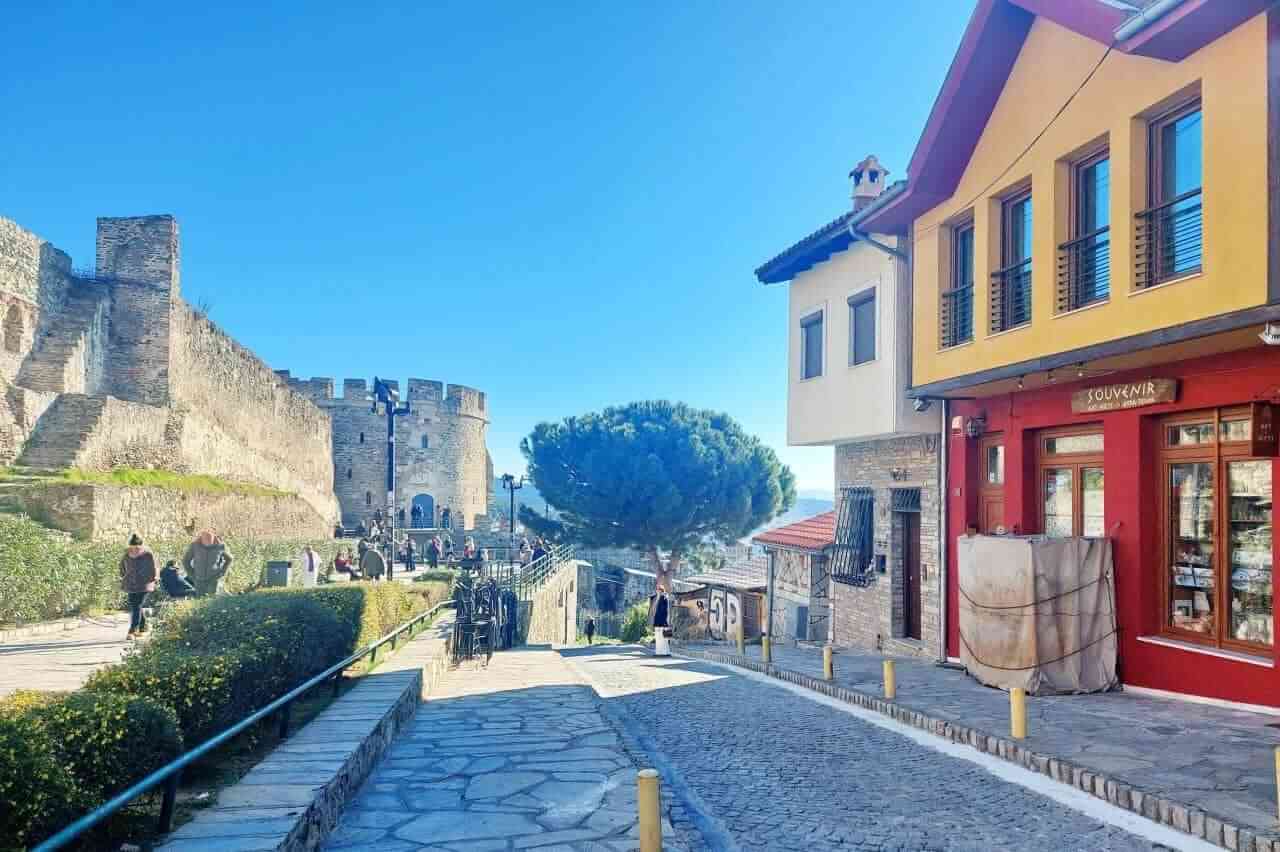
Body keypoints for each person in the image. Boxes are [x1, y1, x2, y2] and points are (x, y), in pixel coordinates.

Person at [120, 534, 158, 638]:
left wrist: (154, 579)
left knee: (137, 606)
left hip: (144, 584)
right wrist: (124, 577)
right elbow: (122, 567)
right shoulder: (126, 555)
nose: (135, 549)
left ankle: (132, 630)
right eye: (133, 547)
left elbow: (154, 568)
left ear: (141, 546)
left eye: (137, 547)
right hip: (131, 584)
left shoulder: (147, 554)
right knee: (136, 606)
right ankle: (143, 627)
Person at [184, 530, 233, 597]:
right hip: (198, 580)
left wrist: (222, 573)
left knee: (211, 598)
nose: (207, 544)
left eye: (209, 540)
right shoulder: (194, 546)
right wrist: (192, 575)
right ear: (201, 538)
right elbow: (185, 561)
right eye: (205, 540)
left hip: (213, 579)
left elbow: (229, 559)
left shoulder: (220, 547)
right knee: (200, 601)